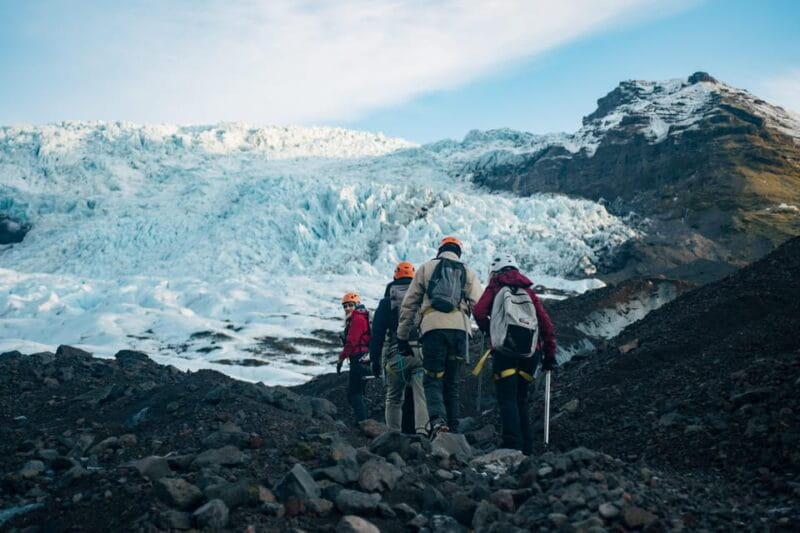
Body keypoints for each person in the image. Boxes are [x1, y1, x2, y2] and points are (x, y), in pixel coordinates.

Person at [396, 237, 483, 435]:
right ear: (458, 252)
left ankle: (437, 421)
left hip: (433, 331)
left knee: (433, 378)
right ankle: (453, 428)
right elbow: (479, 304)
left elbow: (409, 304)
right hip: (459, 331)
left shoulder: (426, 268)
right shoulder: (467, 272)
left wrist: (402, 336)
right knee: (451, 381)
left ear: (440, 250)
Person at [473, 253, 557, 454]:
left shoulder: (495, 286)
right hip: (530, 354)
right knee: (521, 399)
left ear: (494, 271)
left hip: (505, 351)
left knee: (507, 398)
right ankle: (527, 448)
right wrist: (549, 355)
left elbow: (478, 311)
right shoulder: (528, 291)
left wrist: (490, 330)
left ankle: (512, 444)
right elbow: (546, 324)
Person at [370, 261, 429, 434]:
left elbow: (378, 335)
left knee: (394, 398)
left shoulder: (387, 302)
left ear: (395, 277)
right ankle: (422, 433)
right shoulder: (422, 298)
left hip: (398, 357)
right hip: (420, 353)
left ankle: (393, 434)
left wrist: (374, 360)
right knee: (421, 395)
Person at [337, 292, 371, 424]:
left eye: (350, 305)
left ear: (356, 304)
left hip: (358, 358)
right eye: (344, 306)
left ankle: (363, 423)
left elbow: (351, 342)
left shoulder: (357, 319)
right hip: (365, 357)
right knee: (358, 391)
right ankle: (365, 421)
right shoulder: (363, 316)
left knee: (353, 393)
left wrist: (340, 359)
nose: (347, 309)